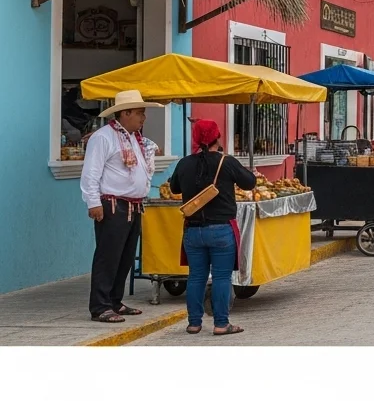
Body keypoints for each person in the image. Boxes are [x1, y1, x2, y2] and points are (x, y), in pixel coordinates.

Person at [80, 89, 164, 324]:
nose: (143, 118)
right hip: (113, 205)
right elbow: (91, 173)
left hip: (133, 205)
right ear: (125, 113)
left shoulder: (133, 139)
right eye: (139, 113)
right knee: (108, 255)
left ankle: (114, 300)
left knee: (125, 256)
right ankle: (100, 306)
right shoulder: (104, 137)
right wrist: (93, 202)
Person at [169, 119, 257, 335]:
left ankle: (194, 323)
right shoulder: (226, 162)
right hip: (221, 230)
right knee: (220, 277)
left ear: (196, 139)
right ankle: (221, 323)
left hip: (193, 230)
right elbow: (249, 182)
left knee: (196, 276)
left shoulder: (184, 163)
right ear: (218, 137)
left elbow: (175, 187)